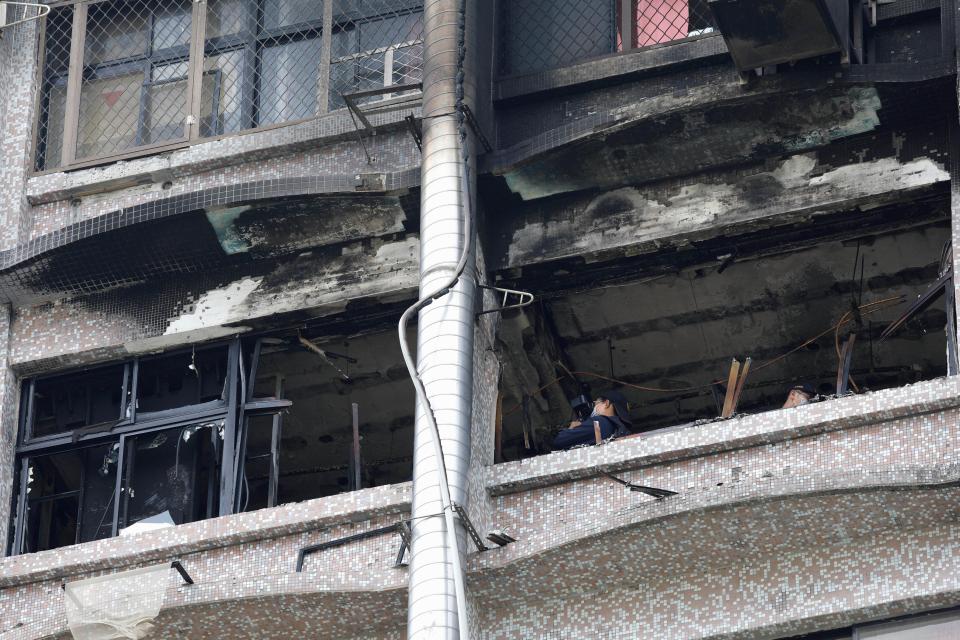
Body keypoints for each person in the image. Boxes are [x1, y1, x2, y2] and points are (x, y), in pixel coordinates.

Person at [553, 390, 633, 450]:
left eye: (596, 404)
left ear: (606, 403)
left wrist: (571, 428)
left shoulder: (598, 422)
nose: (594, 408)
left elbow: (559, 441)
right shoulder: (619, 430)